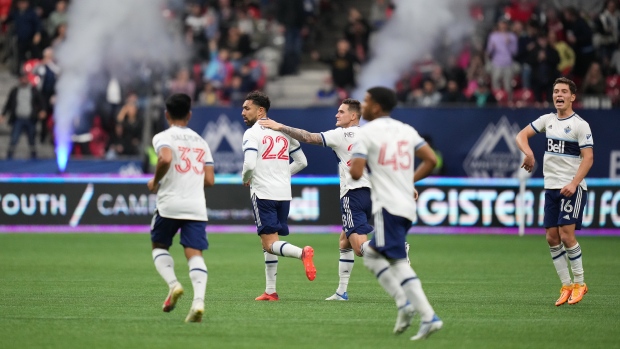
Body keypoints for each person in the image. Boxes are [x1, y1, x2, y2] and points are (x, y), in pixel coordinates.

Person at [258, 98, 411, 301]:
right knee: (344, 242)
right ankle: (341, 291)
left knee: (358, 248)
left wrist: (280, 127)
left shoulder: (341, 135)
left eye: (341, 112)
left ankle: (394, 247)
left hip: (353, 195)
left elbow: (309, 137)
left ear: (354, 116)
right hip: (375, 193)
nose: (336, 115)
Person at [350, 87, 442, 340]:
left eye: (367, 101)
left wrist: (356, 169)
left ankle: (427, 315)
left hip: (387, 206)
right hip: (406, 206)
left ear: (377, 107)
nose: (363, 106)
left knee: (398, 263)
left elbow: (356, 172)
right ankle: (404, 305)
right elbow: (431, 160)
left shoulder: (366, 133)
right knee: (371, 256)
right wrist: (407, 182)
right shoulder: (406, 129)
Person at [516, 77, 593, 306]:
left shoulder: (580, 125)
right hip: (551, 187)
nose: (558, 95)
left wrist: (574, 183)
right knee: (551, 237)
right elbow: (521, 136)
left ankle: (580, 283)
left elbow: (588, 159)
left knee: (567, 235)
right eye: (555, 91)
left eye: (563, 91)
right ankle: (566, 285)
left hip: (572, 188)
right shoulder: (547, 120)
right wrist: (529, 153)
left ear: (572, 97)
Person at [147, 93, 215, 323]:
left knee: (159, 245)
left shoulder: (163, 136)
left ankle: (174, 284)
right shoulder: (201, 141)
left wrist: (155, 181)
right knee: (194, 254)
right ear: (189, 115)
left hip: (169, 204)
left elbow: (165, 158)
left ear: (167, 114)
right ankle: (198, 302)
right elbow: (210, 179)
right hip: (196, 206)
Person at [241, 91, 314, 301]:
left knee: (268, 243)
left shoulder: (252, 133)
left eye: (247, 108)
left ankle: (302, 253)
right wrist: (281, 174)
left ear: (260, 110)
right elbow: (302, 162)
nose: (243, 112)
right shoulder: (283, 130)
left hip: (263, 192)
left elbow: (249, 164)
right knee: (271, 240)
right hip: (284, 194)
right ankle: (271, 291)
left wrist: (246, 178)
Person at [1, 72, 45, 159]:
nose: (24, 80)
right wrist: (3, 114)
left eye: (25, 78)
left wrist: (42, 110)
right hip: (18, 119)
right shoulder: (15, 91)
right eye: (22, 79)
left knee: (32, 140)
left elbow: (41, 101)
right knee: (14, 139)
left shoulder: (33, 90)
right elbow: (8, 104)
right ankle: (9, 156)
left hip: (30, 119)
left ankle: (34, 157)